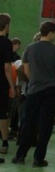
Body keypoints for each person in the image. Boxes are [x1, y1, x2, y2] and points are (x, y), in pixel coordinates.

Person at [12, 22, 55, 167]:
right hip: (51, 90)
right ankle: (38, 158)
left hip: (34, 89)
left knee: (28, 122)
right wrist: (53, 81)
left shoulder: (29, 48)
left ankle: (20, 155)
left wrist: (35, 80)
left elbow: (26, 71)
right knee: (46, 124)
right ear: (52, 33)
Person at [0, 13, 15, 159]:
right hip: (1, 83)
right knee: (2, 113)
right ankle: (4, 142)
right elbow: (7, 68)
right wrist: (12, 85)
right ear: (6, 26)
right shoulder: (6, 43)